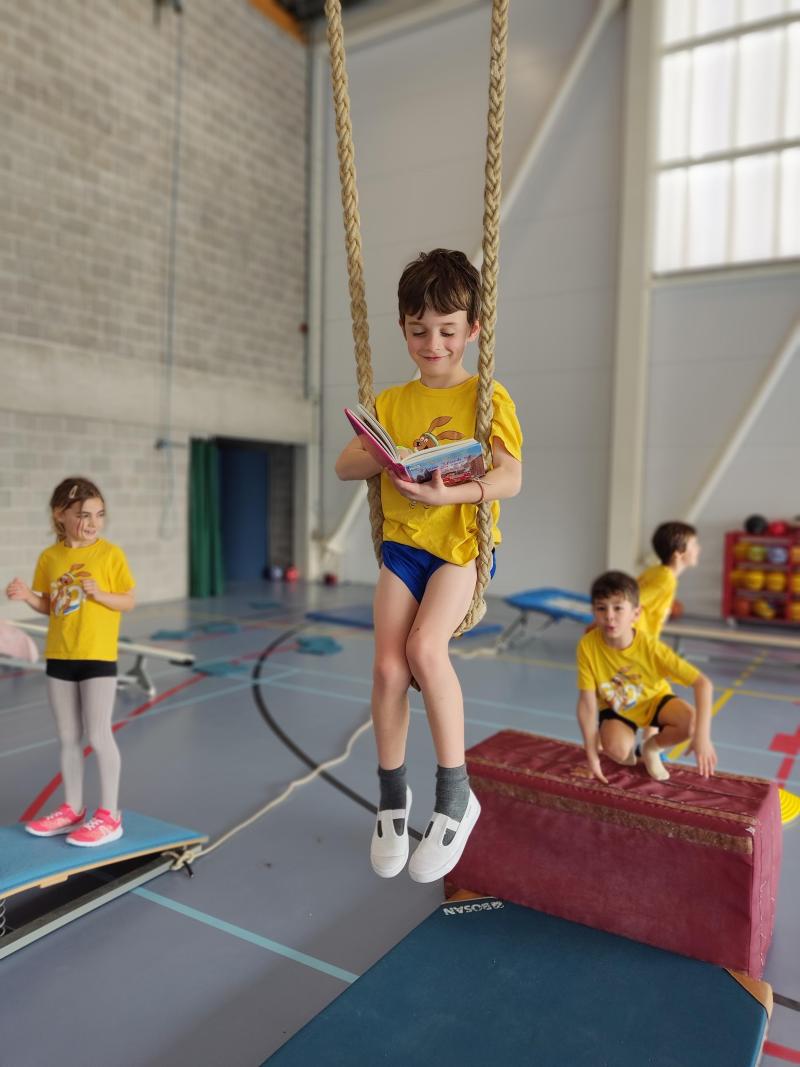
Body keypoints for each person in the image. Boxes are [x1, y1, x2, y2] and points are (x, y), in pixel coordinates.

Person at [335, 249, 522, 882]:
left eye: (447, 330)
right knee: (386, 665)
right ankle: (393, 800)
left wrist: (454, 491)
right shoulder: (391, 399)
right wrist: (389, 456)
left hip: (460, 546)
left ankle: (455, 796)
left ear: (472, 330)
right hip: (405, 548)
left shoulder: (486, 395)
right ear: (403, 330)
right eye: (419, 331)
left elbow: (511, 477)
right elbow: (345, 464)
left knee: (423, 649)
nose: (432, 344)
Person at [6, 477, 136, 846]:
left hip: (97, 656)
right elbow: (54, 606)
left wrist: (102, 594)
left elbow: (128, 600)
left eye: (98, 514)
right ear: (59, 515)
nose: (92, 522)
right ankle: (72, 809)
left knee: (98, 733)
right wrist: (28, 597)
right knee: (67, 737)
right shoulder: (50, 558)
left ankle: (110, 815)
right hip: (60, 655)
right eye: (82, 515)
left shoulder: (110, 555)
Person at [576, 570, 716, 784]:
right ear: (594, 611)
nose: (609, 616)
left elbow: (702, 684)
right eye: (601, 608)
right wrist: (592, 756)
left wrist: (702, 737)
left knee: (691, 723)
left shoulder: (651, 648)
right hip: (616, 707)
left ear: (636, 613)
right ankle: (631, 753)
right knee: (617, 750)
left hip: (654, 699)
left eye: (618, 608)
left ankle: (651, 747)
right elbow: (586, 703)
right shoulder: (588, 646)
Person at [637, 521, 700, 639]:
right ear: (678, 554)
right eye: (694, 544)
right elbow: (630, 601)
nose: (698, 549)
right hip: (636, 641)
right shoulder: (666, 580)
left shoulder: (654, 571)